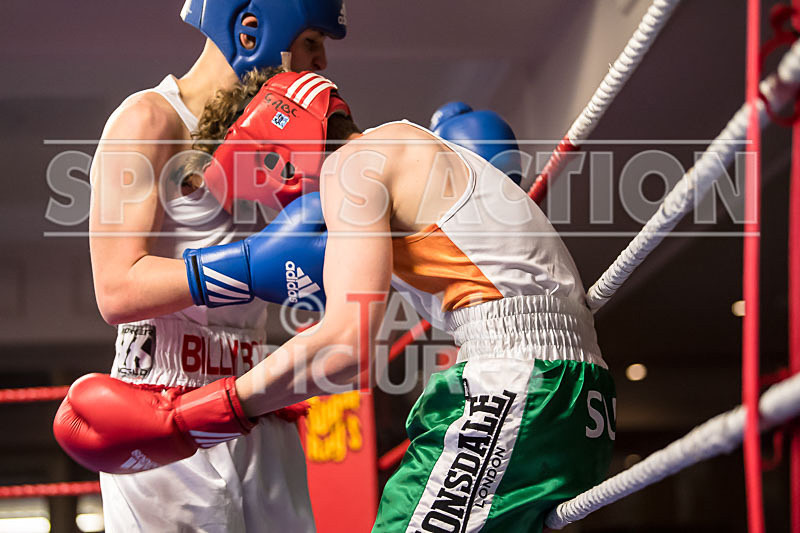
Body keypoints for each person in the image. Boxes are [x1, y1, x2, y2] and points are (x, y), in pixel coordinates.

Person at [58, 67, 616, 532]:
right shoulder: (406, 151)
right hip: (578, 394)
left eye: (267, 171)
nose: (280, 204)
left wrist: (199, 415)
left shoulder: (351, 168)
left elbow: (345, 350)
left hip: (515, 386)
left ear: (283, 149)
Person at [84, 1, 346, 530]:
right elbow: (116, 288)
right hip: (163, 404)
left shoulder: (283, 136)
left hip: (257, 398)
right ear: (251, 29)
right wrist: (247, 266)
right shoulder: (149, 120)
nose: (321, 63)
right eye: (311, 42)